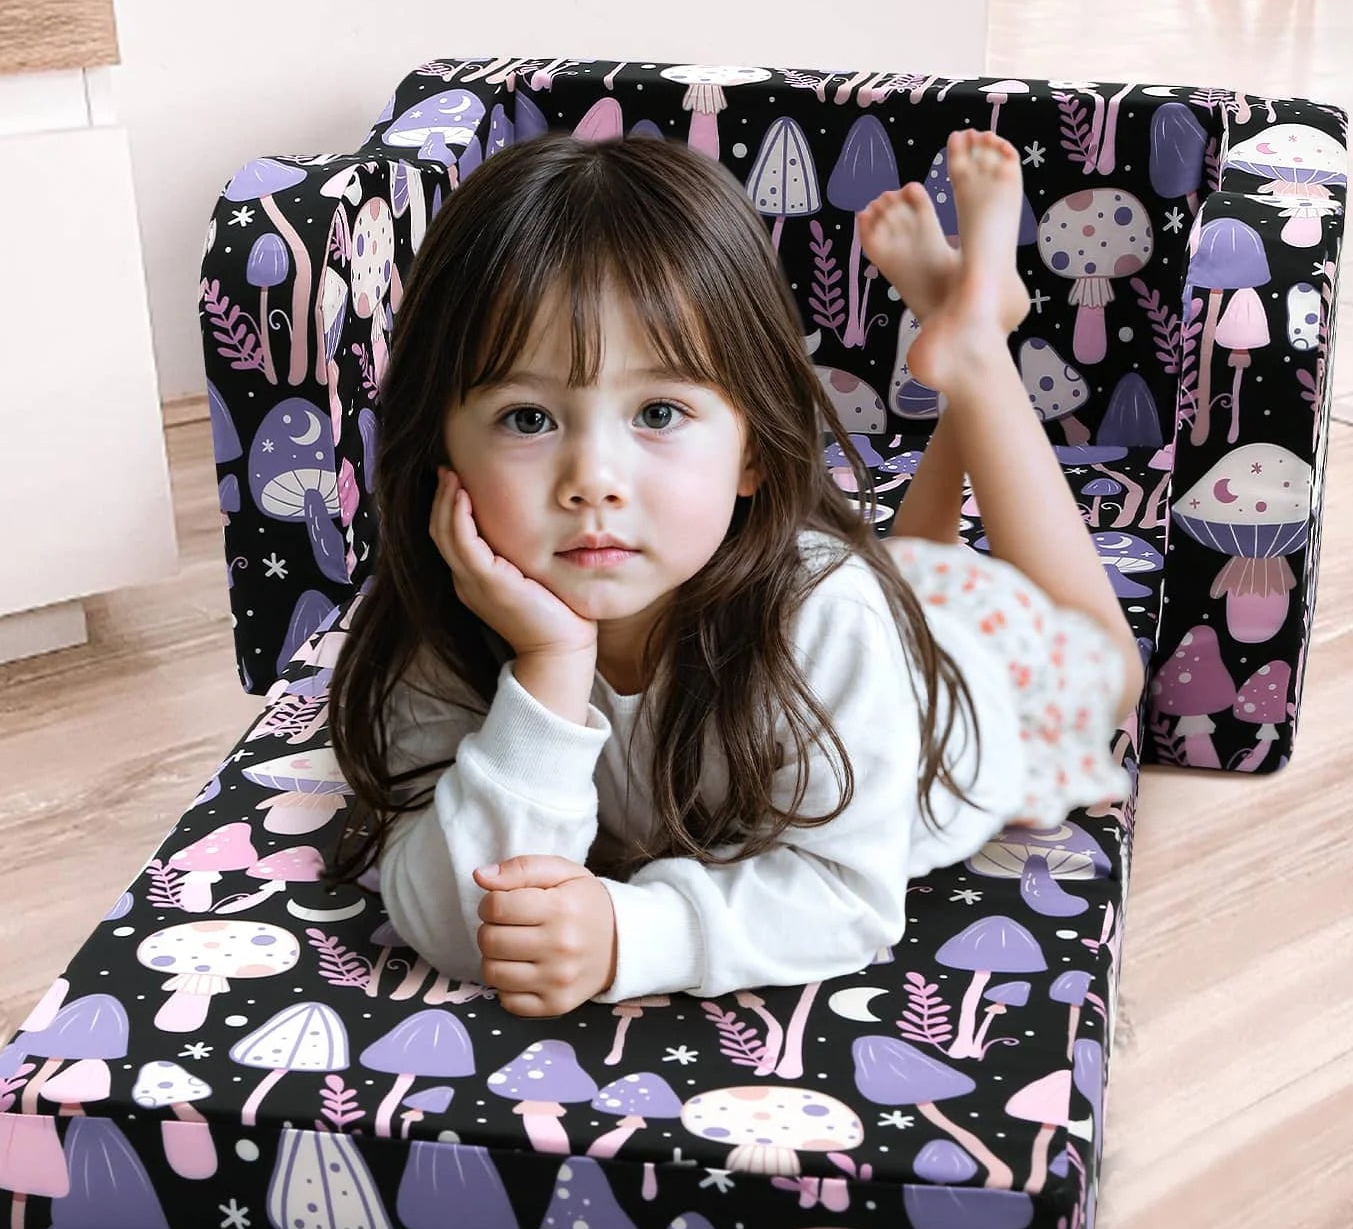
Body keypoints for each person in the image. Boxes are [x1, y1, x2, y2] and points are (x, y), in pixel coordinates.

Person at [325, 126, 1143, 1020]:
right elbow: (465, 922)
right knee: (903, 575)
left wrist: (631, 934)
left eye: (658, 412)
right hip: (883, 615)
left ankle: (978, 354)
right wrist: (549, 670)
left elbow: (847, 898)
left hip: (962, 698)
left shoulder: (828, 619)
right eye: (528, 418)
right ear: (439, 447)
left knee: (1104, 674)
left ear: (751, 449)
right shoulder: (451, 620)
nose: (593, 480)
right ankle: (965, 323)